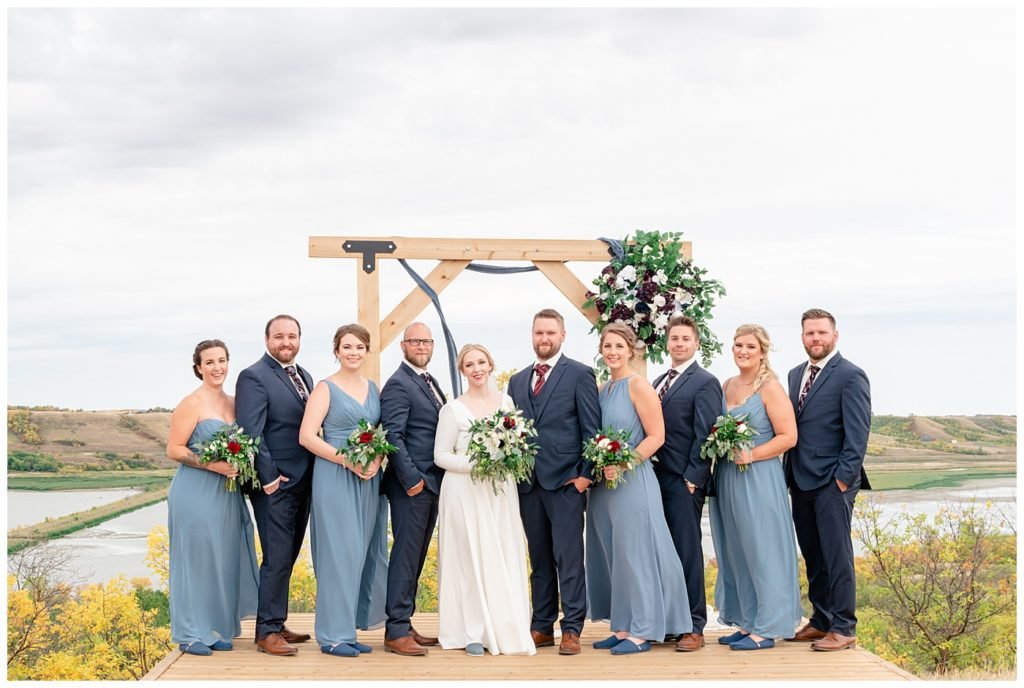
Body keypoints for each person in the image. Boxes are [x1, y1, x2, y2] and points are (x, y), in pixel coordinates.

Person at [586, 323, 692, 655]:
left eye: (618, 346)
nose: (612, 352)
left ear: (631, 350)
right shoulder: (602, 388)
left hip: (632, 480)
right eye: (607, 346)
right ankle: (622, 626)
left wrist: (624, 462)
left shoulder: (639, 386)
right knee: (612, 554)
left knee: (637, 553)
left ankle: (644, 628)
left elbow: (656, 436)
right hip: (604, 484)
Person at [432, 344, 535, 657]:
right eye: (468, 365)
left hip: (500, 490)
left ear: (490, 365)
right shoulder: (452, 410)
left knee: (502, 551)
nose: (476, 369)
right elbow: (440, 456)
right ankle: (471, 631)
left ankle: (506, 623)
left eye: (480, 362)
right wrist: (477, 465)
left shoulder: (507, 403)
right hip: (463, 491)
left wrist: (505, 460)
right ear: (462, 371)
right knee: (468, 559)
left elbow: (516, 443)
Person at [508, 308, 600, 655]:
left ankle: (572, 627)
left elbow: (592, 429)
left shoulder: (579, 374)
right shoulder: (517, 381)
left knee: (569, 558)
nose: (543, 339)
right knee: (540, 559)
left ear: (562, 336)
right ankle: (542, 625)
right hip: (529, 485)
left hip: (565, 483)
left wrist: (584, 477)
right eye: (538, 333)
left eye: (550, 333)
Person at [709, 324, 801, 651]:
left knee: (764, 551)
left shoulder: (770, 388)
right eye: (738, 345)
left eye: (750, 346)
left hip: (759, 478)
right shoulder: (726, 385)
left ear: (762, 351)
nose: (743, 351)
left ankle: (768, 626)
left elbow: (789, 437)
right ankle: (747, 621)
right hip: (727, 477)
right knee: (736, 551)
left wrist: (752, 454)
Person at [298, 324, 389, 657]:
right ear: (336, 350)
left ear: (367, 351)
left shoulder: (373, 388)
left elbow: (380, 432)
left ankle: (348, 630)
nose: (353, 353)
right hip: (335, 476)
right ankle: (332, 636)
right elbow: (307, 436)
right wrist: (347, 462)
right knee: (339, 554)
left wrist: (376, 459)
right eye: (347, 347)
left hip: (368, 479)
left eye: (359, 347)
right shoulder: (325, 388)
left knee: (363, 553)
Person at [784, 309, 871, 652]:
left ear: (835, 335)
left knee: (837, 555)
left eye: (821, 333)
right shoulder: (794, 375)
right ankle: (821, 620)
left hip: (833, 483)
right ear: (802, 337)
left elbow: (858, 434)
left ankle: (844, 626)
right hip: (799, 480)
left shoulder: (851, 375)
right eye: (809, 333)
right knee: (813, 554)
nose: (815, 339)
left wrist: (843, 481)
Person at [166, 339, 259, 656]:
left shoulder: (234, 403)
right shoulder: (191, 403)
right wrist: (214, 465)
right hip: (195, 493)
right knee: (195, 561)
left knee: (222, 560)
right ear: (198, 368)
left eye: (222, 360)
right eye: (210, 362)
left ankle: (215, 627)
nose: (217, 367)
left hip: (228, 495)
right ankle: (190, 632)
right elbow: (174, 449)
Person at [236, 315, 315, 656]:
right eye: (279, 336)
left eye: (292, 336)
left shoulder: (304, 376)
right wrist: (268, 478)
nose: (286, 342)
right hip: (275, 483)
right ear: (267, 339)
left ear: (299, 339)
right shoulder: (253, 376)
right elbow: (252, 432)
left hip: (304, 479)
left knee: (289, 553)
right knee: (276, 555)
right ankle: (266, 632)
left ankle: (277, 622)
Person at [652, 315, 723, 652]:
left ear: (696, 344)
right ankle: (670, 622)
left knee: (687, 551)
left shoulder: (705, 382)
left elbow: (706, 433)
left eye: (685, 339)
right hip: (654, 480)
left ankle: (694, 626)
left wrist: (694, 478)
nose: (679, 344)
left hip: (684, 481)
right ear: (667, 343)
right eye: (674, 338)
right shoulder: (656, 382)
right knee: (662, 552)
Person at [380, 322, 446, 656]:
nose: (421, 346)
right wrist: (413, 481)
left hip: (433, 482)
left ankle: (405, 621)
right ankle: (395, 630)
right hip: (412, 485)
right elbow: (393, 435)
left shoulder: (428, 381)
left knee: (416, 556)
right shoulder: (397, 384)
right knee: (406, 555)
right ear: (403, 346)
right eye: (414, 341)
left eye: (426, 341)